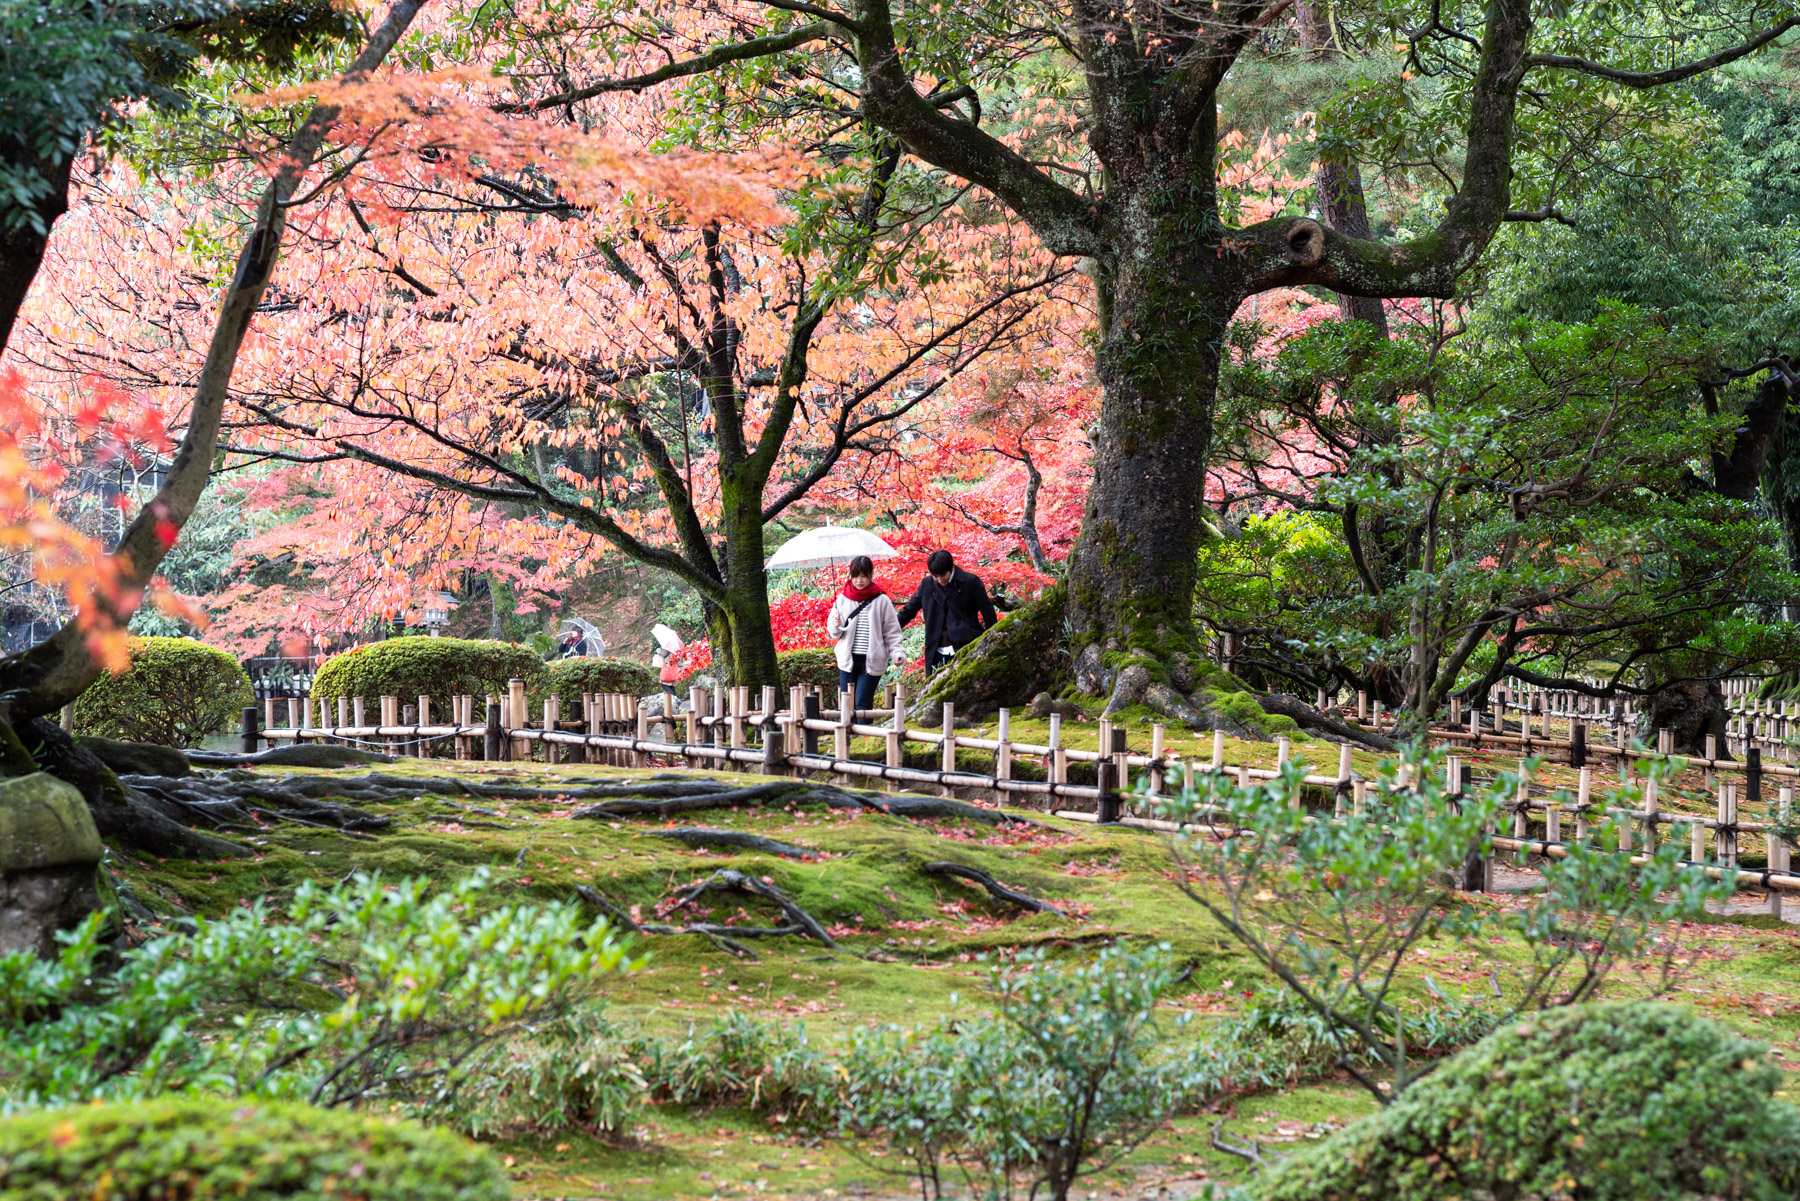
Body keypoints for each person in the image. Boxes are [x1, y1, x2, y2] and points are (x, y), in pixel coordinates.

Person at [897, 549, 998, 675]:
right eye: (935, 576)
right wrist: (889, 629)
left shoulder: (970, 582)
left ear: (951, 567)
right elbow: (909, 610)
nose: (940, 580)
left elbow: (988, 613)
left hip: (968, 645)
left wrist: (991, 641)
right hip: (936, 650)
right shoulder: (927, 585)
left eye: (942, 575)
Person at [827, 554, 904, 711]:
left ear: (871, 575)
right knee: (847, 705)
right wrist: (836, 625)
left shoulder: (882, 600)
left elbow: (892, 631)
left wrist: (897, 652)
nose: (859, 581)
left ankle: (863, 736)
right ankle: (847, 735)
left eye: (864, 576)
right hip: (848, 660)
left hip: (872, 660)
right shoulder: (842, 599)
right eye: (856, 576)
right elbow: (834, 633)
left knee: (862, 704)